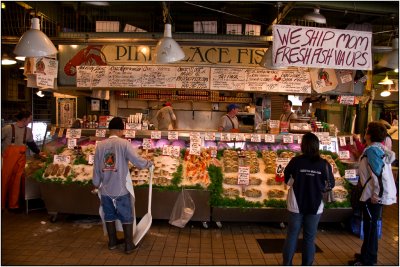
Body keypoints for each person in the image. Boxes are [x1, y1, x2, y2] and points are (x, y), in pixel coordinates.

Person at [92, 117, 153, 254]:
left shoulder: (100, 145)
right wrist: (148, 164)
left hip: (105, 189)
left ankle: (112, 242)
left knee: (109, 215)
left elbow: (96, 167)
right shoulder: (124, 143)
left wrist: (96, 184)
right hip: (121, 189)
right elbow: (136, 161)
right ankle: (128, 244)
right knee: (126, 215)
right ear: (120, 130)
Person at [282, 132, 335, 266]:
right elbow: (331, 184)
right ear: (317, 146)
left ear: (303, 146)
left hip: (295, 204)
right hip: (315, 205)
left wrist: (296, 180)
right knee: (309, 238)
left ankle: (287, 264)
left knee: (292, 236)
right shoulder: (324, 164)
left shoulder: (296, 161)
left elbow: (287, 179)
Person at [349, 122, 397, 266]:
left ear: (369, 135)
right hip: (373, 193)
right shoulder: (377, 148)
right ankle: (365, 255)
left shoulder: (372, 151)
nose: (364, 132)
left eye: (366, 130)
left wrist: (377, 195)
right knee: (370, 226)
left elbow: (378, 174)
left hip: (374, 196)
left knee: (371, 228)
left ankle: (369, 260)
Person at [1, 110, 46, 210]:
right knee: (5, 180)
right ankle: (2, 205)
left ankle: (14, 205)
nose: (31, 120)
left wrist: (39, 152)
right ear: (24, 119)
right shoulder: (8, 128)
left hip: (21, 159)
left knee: (17, 181)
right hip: (8, 158)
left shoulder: (28, 131)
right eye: (30, 118)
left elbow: (31, 143)